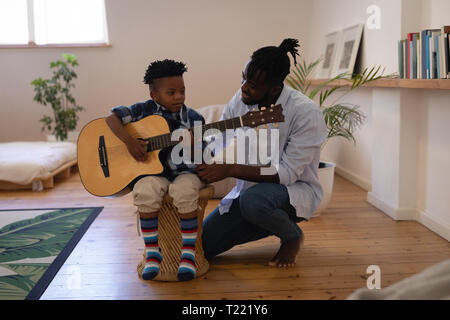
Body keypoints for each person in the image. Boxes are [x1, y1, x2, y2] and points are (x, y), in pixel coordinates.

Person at [197, 39, 328, 267]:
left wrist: (230, 169)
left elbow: (287, 174)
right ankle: (256, 221)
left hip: (293, 192)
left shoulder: (305, 113)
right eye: (243, 78)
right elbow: (216, 139)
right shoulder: (240, 100)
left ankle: (291, 235)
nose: (244, 88)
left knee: (254, 201)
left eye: (253, 85)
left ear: (275, 89)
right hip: (247, 194)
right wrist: (190, 150)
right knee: (203, 247)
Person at [105, 59, 206, 281]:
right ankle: (153, 252)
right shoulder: (142, 110)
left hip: (184, 173)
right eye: (171, 92)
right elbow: (111, 119)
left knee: (185, 191)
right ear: (155, 95)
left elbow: (203, 157)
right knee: (144, 190)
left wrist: (194, 146)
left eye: (182, 91)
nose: (179, 96)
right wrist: (129, 141)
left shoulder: (194, 119)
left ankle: (187, 254)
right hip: (153, 174)